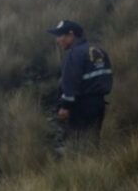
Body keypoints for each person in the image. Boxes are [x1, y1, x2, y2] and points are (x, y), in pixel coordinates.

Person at [47, 19, 113, 148]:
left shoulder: (74, 54)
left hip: (81, 107)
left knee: (78, 145)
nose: (58, 40)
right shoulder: (100, 51)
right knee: (93, 141)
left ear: (71, 35)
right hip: (99, 105)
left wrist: (65, 106)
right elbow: (107, 76)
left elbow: (70, 83)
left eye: (60, 36)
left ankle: (82, 167)